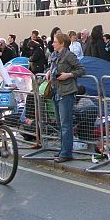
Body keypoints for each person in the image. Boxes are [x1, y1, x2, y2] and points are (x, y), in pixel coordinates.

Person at [45, 32, 86, 163]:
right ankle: (63, 150)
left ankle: (66, 152)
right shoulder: (54, 55)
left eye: (55, 42)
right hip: (56, 91)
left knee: (65, 124)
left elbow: (81, 69)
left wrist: (69, 74)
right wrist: (49, 71)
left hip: (66, 92)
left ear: (62, 43)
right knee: (60, 123)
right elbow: (53, 67)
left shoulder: (69, 55)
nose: (53, 44)